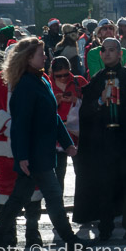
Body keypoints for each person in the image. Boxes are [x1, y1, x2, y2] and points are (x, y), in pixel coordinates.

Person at [0, 37, 84, 251]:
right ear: (29, 58)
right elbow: (19, 125)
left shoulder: (42, 80)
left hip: (40, 153)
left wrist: (67, 143)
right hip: (34, 155)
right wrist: (21, 156)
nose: (46, 57)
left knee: (17, 200)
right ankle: (71, 240)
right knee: (54, 197)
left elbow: (53, 116)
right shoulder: (26, 85)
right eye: (41, 54)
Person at [74, 38, 126, 241]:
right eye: (104, 50)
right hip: (104, 143)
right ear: (100, 54)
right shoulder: (97, 79)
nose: (107, 53)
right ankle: (105, 227)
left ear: (120, 53)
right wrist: (100, 100)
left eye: (112, 50)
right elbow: (85, 113)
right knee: (105, 185)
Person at [0, 69, 44, 247]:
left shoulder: (40, 78)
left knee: (34, 186)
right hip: (2, 145)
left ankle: (32, 232)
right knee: (5, 188)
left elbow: (47, 105)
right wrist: (9, 125)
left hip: (32, 143)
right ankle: (8, 232)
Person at [48, 56, 88, 192]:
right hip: (58, 134)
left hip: (77, 133)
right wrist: (55, 103)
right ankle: (59, 208)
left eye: (66, 74)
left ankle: (82, 206)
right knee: (58, 174)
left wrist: (77, 100)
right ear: (53, 74)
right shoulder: (47, 84)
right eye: (59, 76)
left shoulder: (79, 82)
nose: (63, 78)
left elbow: (92, 104)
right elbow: (43, 111)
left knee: (82, 173)